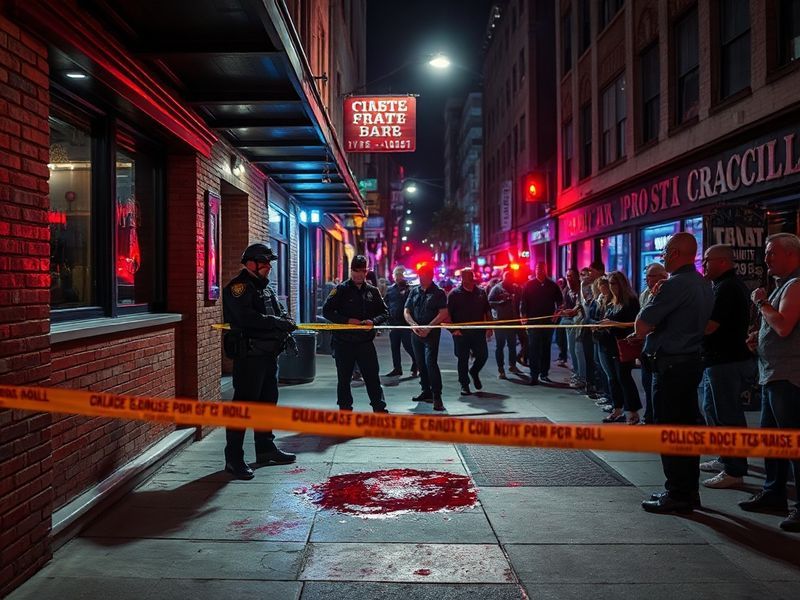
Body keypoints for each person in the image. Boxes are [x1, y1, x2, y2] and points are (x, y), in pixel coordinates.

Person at [635, 232, 714, 514]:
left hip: (670, 366)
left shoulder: (674, 284)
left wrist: (653, 299)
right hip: (689, 361)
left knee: (670, 430)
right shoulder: (703, 284)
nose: (663, 256)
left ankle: (677, 492)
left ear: (678, 253)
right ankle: (687, 489)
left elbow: (642, 325)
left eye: (667, 251)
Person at [739, 233, 800, 532]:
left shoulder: (796, 285)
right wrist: (758, 339)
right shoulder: (783, 285)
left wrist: (762, 303)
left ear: (791, 254)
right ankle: (774, 493)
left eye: (772, 253)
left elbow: (784, 326)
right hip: (772, 373)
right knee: (772, 441)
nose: (766, 258)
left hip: (788, 377)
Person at [222, 243, 298, 480]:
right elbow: (246, 318)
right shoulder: (238, 287)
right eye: (264, 262)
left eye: (269, 263)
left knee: (267, 403)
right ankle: (233, 458)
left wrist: (285, 320)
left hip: (268, 356)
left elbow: (279, 311)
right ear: (251, 263)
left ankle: (265, 449)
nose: (269, 267)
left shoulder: (265, 288)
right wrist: (276, 322)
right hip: (250, 357)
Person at [698, 244, 754, 488]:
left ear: (722, 262)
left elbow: (711, 325)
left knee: (728, 414)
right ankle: (725, 457)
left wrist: (685, 330)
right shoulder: (721, 285)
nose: (703, 265)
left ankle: (735, 469)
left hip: (726, 360)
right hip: (717, 359)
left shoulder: (728, 287)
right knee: (713, 410)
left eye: (707, 260)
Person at [322, 255, 390, 413]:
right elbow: (327, 311)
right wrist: (346, 320)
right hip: (343, 342)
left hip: (365, 343)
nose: (359, 274)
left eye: (362, 271)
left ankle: (379, 409)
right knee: (344, 379)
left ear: (366, 272)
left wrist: (373, 321)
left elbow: (385, 312)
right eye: (356, 271)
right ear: (351, 271)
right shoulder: (341, 289)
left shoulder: (372, 291)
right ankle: (345, 411)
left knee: (372, 377)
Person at [405, 262, 449, 411]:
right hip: (416, 333)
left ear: (430, 276)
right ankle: (426, 391)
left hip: (431, 334)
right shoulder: (414, 291)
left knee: (431, 363)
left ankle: (437, 395)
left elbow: (443, 313)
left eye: (423, 276)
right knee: (420, 363)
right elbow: (407, 310)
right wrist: (413, 325)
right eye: (419, 275)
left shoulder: (438, 293)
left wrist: (429, 327)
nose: (420, 278)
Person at [599, 271, 642, 424]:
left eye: (614, 283)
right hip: (608, 344)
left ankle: (632, 411)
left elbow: (634, 323)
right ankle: (617, 409)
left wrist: (612, 324)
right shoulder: (610, 301)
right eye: (610, 283)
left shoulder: (630, 301)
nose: (612, 287)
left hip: (623, 344)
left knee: (624, 377)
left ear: (622, 284)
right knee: (613, 378)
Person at [447, 267, 493, 395]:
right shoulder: (454, 294)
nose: (468, 279)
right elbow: (447, 314)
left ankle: (474, 371)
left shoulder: (481, 293)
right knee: (463, 358)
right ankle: (464, 384)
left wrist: (490, 326)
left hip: (478, 332)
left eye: (470, 276)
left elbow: (487, 310)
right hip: (461, 333)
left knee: (483, 355)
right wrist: (453, 330)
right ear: (462, 278)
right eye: (465, 276)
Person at [520, 262, 563, 385]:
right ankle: (534, 374)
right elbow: (523, 302)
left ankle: (544, 373)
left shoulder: (552, 285)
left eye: (541, 269)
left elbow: (560, 301)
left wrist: (557, 313)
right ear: (535, 270)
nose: (539, 271)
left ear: (545, 270)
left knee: (545, 347)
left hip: (548, 322)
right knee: (534, 348)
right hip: (533, 322)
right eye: (537, 269)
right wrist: (523, 316)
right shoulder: (529, 285)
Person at [638, 263, 668, 425]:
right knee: (647, 383)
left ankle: (656, 418)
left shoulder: (666, 293)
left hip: (662, 348)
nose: (647, 280)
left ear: (662, 277)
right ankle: (649, 415)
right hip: (647, 345)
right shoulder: (645, 294)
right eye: (647, 276)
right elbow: (642, 317)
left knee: (658, 387)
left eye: (651, 276)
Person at [383, 265, 418, 377]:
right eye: (396, 275)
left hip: (405, 324)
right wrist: (387, 317)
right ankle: (397, 368)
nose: (398, 277)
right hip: (394, 323)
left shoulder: (410, 289)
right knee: (394, 347)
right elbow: (386, 303)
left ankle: (416, 362)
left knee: (408, 345)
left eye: (400, 275)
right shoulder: (390, 289)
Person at [488, 271, 523, 379]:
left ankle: (512, 365)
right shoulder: (497, 288)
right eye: (508, 278)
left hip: (512, 321)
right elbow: (489, 302)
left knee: (512, 345)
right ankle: (501, 369)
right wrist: (501, 302)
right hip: (500, 322)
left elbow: (520, 302)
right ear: (504, 278)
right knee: (500, 346)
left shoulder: (515, 288)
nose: (510, 280)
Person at [554, 277, 569, 367]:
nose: (559, 284)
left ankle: (563, 357)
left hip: (564, 317)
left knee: (562, 338)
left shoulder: (566, 291)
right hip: (558, 317)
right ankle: (562, 356)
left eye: (561, 282)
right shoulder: (558, 291)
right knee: (558, 338)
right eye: (558, 282)